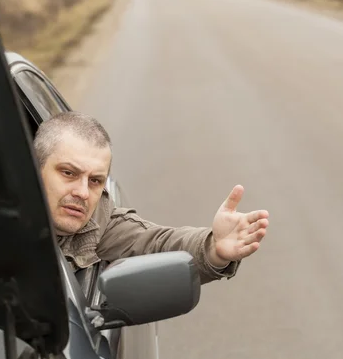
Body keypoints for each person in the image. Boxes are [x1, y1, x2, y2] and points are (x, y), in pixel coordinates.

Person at [33, 111, 270, 284]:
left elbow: (160, 244)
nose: (83, 193)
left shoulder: (100, 225)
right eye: (68, 173)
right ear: (33, 168)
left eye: (95, 181)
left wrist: (213, 249)